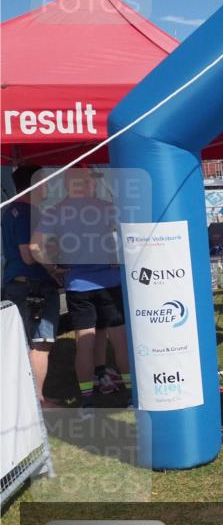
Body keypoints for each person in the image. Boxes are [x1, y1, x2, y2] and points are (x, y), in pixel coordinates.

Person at [31, 167, 130, 418]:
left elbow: (35, 247)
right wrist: (117, 257)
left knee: (84, 343)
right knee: (119, 340)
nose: (94, 184)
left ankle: (87, 402)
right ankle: (132, 396)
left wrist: (52, 268)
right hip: (109, 283)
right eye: (90, 180)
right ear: (80, 183)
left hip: (77, 286)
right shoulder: (106, 207)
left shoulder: (55, 211)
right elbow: (128, 236)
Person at [1, 166, 61, 407]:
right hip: (34, 286)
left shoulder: (10, 211)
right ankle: (38, 402)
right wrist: (54, 266)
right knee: (41, 343)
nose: (47, 186)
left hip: (16, 283)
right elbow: (29, 255)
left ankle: (26, 402)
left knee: (23, 343)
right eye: (44, 181)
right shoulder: (29, 213)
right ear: (34, 184)